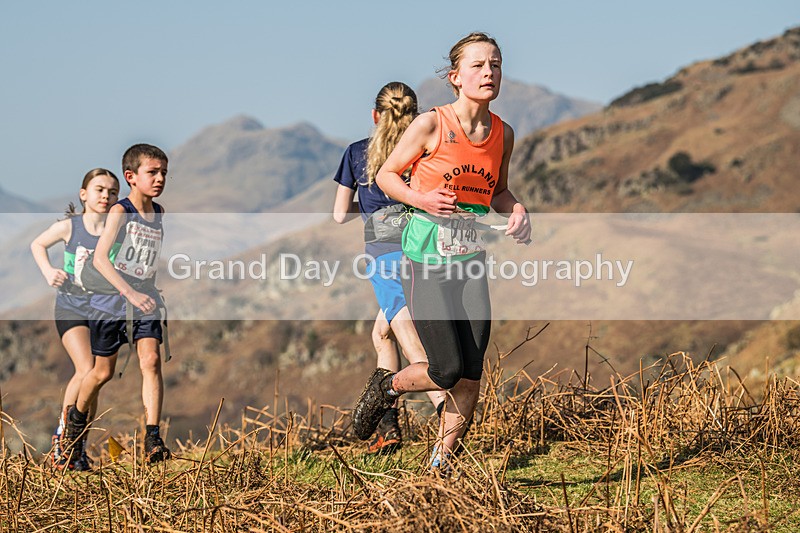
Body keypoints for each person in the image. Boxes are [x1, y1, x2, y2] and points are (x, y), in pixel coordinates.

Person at [352, 33, 531, 474]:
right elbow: (388, 177)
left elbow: (499, 192)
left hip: (469, 262)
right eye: (477, 65)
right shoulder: (432, 124)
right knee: (445, 369)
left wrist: (518, 209)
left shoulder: (502, 134)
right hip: (425, 260)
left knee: (471, 373)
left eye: (496, 64)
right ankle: (389, 388)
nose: (488, 72)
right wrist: (422, 200)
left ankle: (441, 466)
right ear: (455, 77)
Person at [333, 82, 446, 453]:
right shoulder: (421, 151)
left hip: (384, 257)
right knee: (381, 334)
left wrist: (365, 209)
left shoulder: (356, 154)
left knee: (418, 352)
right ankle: (388, 427)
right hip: (422, 251)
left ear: (374, 115)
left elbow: (338, 215)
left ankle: (450, 421)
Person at [62, 144, 172, 465]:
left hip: (145, 299)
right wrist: (129, 292)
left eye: (164, 172)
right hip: (110, 300)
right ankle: (75, 426)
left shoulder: (159, 213)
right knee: (101, 373)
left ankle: (153, 438)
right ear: (131, 177)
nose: (160, 178)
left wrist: (145, 289)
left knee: (150, 360)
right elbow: (100, 259)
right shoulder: (120, 211)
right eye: (152, 172)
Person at [30, 168, 120, 470]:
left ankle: (78, 444)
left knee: (95, 379)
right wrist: (48, 272)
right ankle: (62, 438)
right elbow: (37, 244)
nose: (105, 196)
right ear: (84, 194)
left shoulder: (117, 229)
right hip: (71, 306)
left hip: (104, 309)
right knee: (86, 369)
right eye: (99, 190)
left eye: (111, 191)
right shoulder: (70, 227)